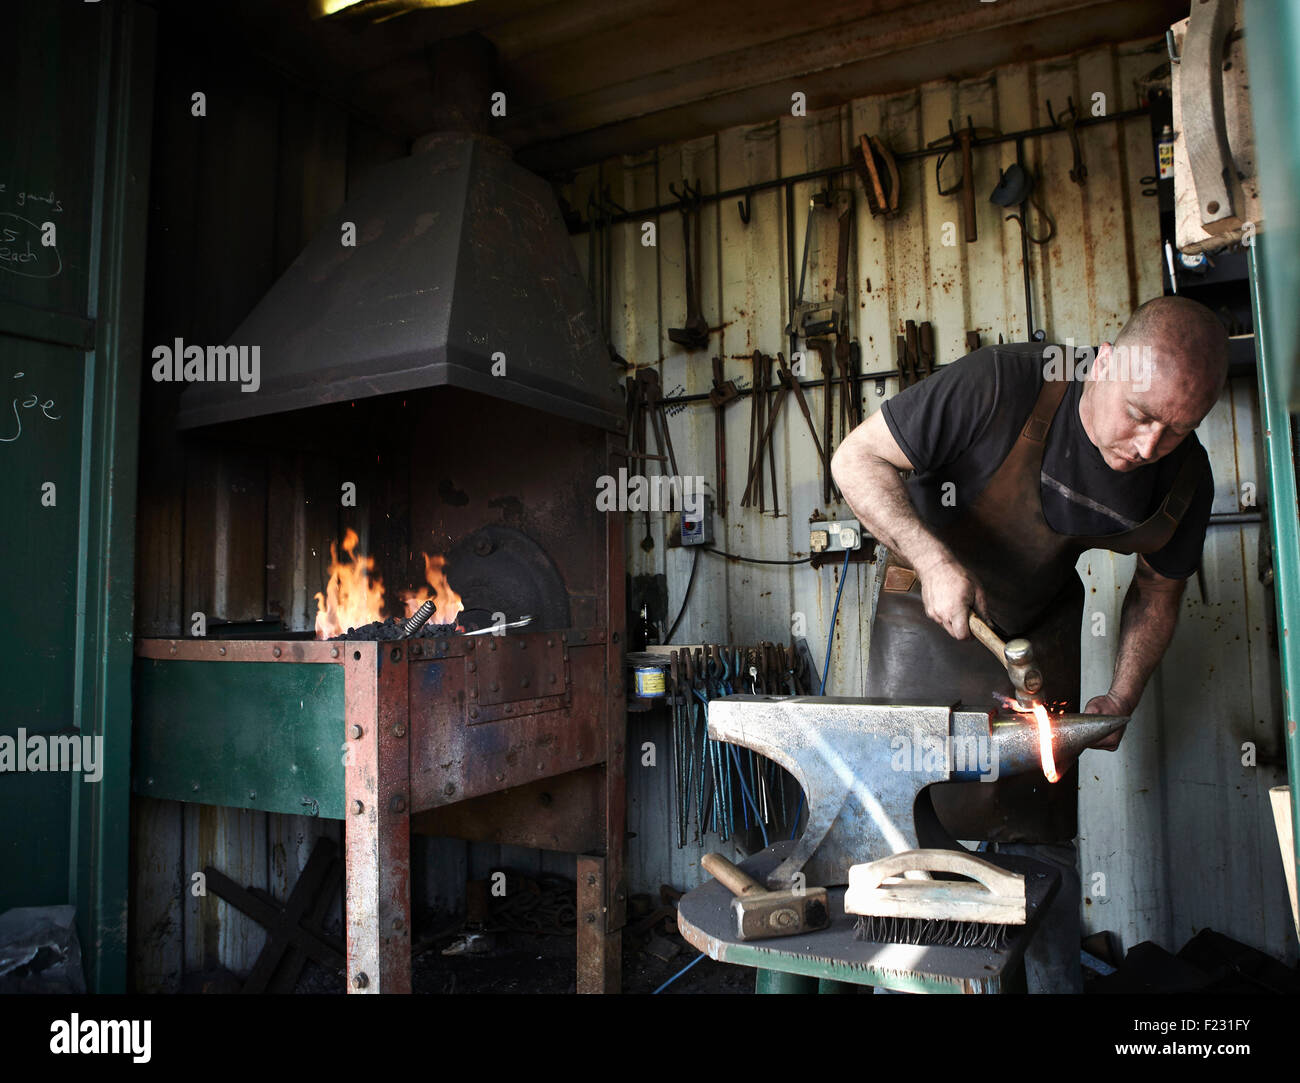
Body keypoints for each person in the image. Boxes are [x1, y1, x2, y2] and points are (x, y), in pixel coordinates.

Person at [830, 295, 1228, 992]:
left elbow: (1157, 593)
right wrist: (930, 557)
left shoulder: (1184, 477)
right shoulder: (1002, 385)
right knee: (915, 836)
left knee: (1039, 842)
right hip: (929, 612)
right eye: (1139, 415)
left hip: (1038, 629)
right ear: (1104, 362)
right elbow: (855, 458)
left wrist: (1124, 692)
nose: (1146, 448)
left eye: (1175, 430)